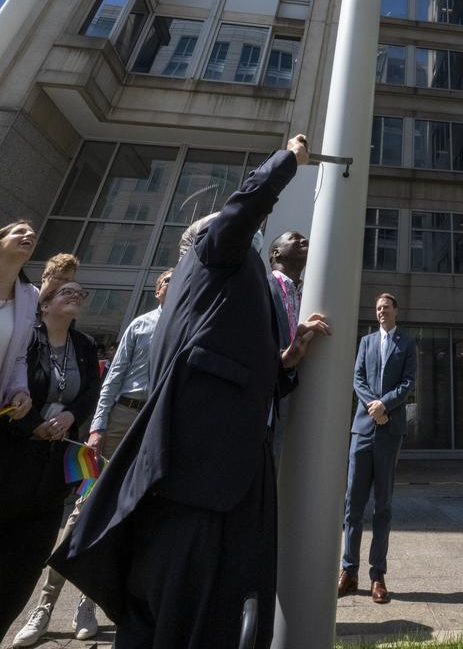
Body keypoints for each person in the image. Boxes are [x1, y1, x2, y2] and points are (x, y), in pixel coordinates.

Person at [52, 135, 330, 649]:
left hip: (219, 469)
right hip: (200, 471)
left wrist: (286, 362)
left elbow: (236, 362)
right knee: (179, 601)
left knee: (207, 604)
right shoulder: (211, 254)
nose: (254, 234)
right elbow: (243, 207)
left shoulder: (218, 292)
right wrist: (289, 158)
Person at [14, 268, 174, 646]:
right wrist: (99, 427)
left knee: (132, 515)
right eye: (167, 279)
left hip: (159, 424)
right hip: (123, 417)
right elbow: (112, 379)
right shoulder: (140, 325)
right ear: (156, 290)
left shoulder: (192, 324)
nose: (174, 283)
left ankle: (88, 602)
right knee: (86, 508)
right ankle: (46, 605)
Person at [0, 276, 100, 638]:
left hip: (53, 466)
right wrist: (34, 424)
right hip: (13, 455)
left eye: (80, 291)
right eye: (65, 291)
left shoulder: (85, 344)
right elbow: (12, 383)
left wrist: (72, 417)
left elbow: (92, 390)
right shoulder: (27, 339)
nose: (75, 293)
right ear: (44, 305)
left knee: (26, 562)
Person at [339, 292, 417, 604]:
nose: (381, 311)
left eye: (386, 307)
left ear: (396, 310)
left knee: (382, 506)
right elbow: (357, 378)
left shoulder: (407, 343)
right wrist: (374, 406)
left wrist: (385, 404)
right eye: (378, 307)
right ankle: (349, 570)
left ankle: (377, 575)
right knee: (352, 506)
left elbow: (409, 382)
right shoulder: (366, 342)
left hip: (389, 432)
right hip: (362, 430)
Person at [268, 230, 308, 455]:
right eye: (295, 238)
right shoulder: (261, 287)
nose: (305, 240)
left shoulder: (304, 295)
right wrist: (281, 359)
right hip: (266, 392)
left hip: (294, 393)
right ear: (276, 253)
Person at [0, 220, 38, 425]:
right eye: (20, 232)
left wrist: (19, 390)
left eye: (33, 236)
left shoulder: (30, 296)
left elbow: (18, 356)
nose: (30, 236)